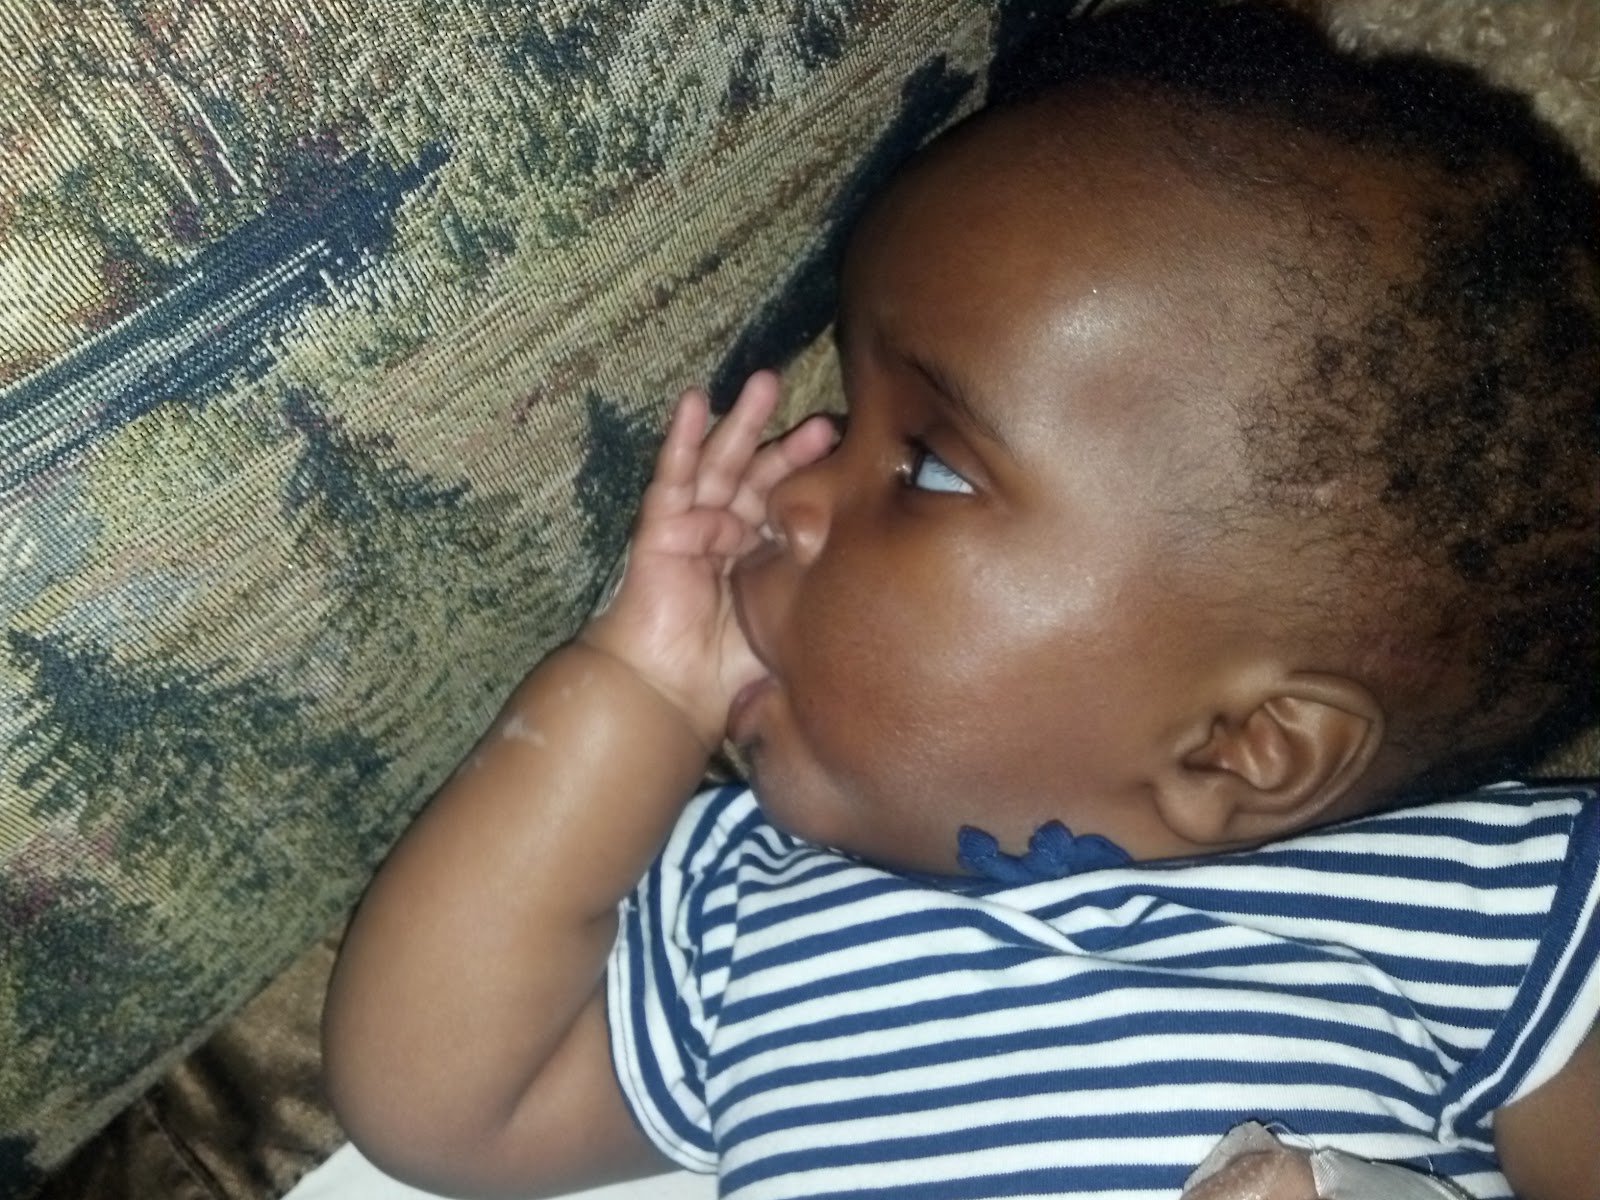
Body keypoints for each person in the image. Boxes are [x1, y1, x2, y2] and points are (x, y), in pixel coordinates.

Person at [320, 3, 1600, 1198]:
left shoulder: (1487, 912)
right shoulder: (749, 907)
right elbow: (438, 1108)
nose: (791, 493)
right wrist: (636, 684)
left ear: (1242, 745)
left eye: (927, 463)